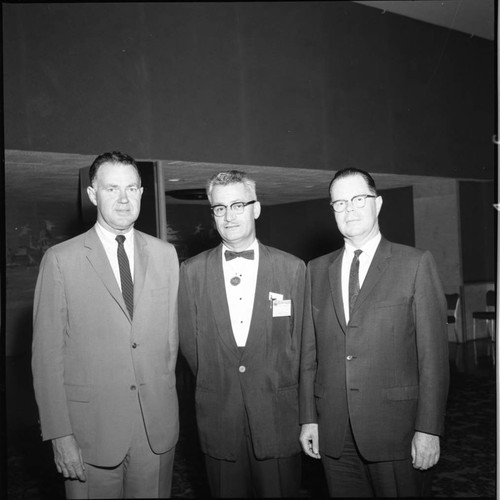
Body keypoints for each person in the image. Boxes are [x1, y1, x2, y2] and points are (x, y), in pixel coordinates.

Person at [32, 151, 179, 498]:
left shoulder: (165, 254)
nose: (124, 199)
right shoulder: (60, 260)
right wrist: (60, 435)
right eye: (112, 188)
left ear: (142, 193)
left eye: (132, 188)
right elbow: (46, 357)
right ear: (93, 194)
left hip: (154, 430)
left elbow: (169, 344)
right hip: (89, 434)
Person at [299, 167, 449, 497]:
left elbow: (434, 358)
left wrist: (428, 429)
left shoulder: (415, 264)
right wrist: (309, 419)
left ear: (377, 204)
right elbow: (308, 356)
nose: (349, 209)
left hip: (397, 432)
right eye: (339, 203)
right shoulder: (316, 270)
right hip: (334, 433)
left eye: (358, 199)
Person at [178, 170, 306, 498]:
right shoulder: (191, 272)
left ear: (256, 208)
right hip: (219, 419)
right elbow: (191, 347)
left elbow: (303, 347)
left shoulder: (292, 268)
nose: (229, 216)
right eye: (220, 208)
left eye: (238, 205)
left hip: (278, 420)